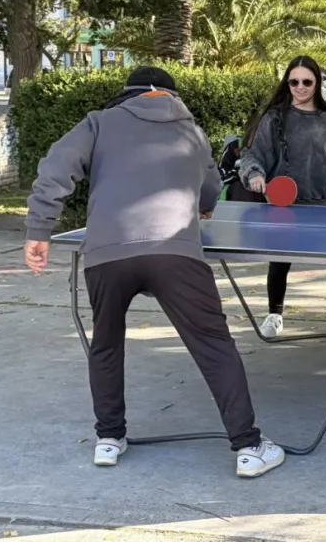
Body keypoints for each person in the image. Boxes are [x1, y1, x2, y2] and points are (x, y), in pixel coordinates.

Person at [23, 66, 284, 478]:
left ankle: (109, 439)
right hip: (174, 253)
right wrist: (203, 206)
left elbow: (55, 169)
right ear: (170, 96)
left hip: (108, 252)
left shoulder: (98, 122)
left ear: (127, 95)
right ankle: (248, 447)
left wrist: (39, 230)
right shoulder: (190, 132)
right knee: (214, 345)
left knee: (106, 343)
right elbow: (211, 188)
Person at [239, 55, 326, 339]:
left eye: (307, 81)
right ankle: (274, 316)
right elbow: (253, 154)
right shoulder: (275, 117)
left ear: (317, 83)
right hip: (286, 205)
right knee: (279, 262)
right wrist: (254, 173)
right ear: (287, 83)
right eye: (294, 82)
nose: (300, 87)